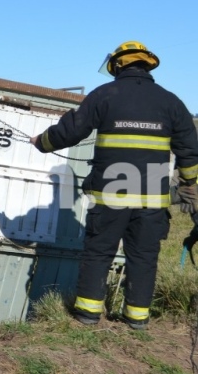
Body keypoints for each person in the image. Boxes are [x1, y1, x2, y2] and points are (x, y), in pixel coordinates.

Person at [30, 41, 198, 329]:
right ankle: (136, 319)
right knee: (144, 258)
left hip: (110, 195)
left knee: (99, 252)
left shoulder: (105, 95)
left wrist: (41, 142)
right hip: (152, 201)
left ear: (119, 65)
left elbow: (70, 131)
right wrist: (191, 184)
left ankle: (87, 315)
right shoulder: (171, 102)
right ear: (146, 65)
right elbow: (190, 150)